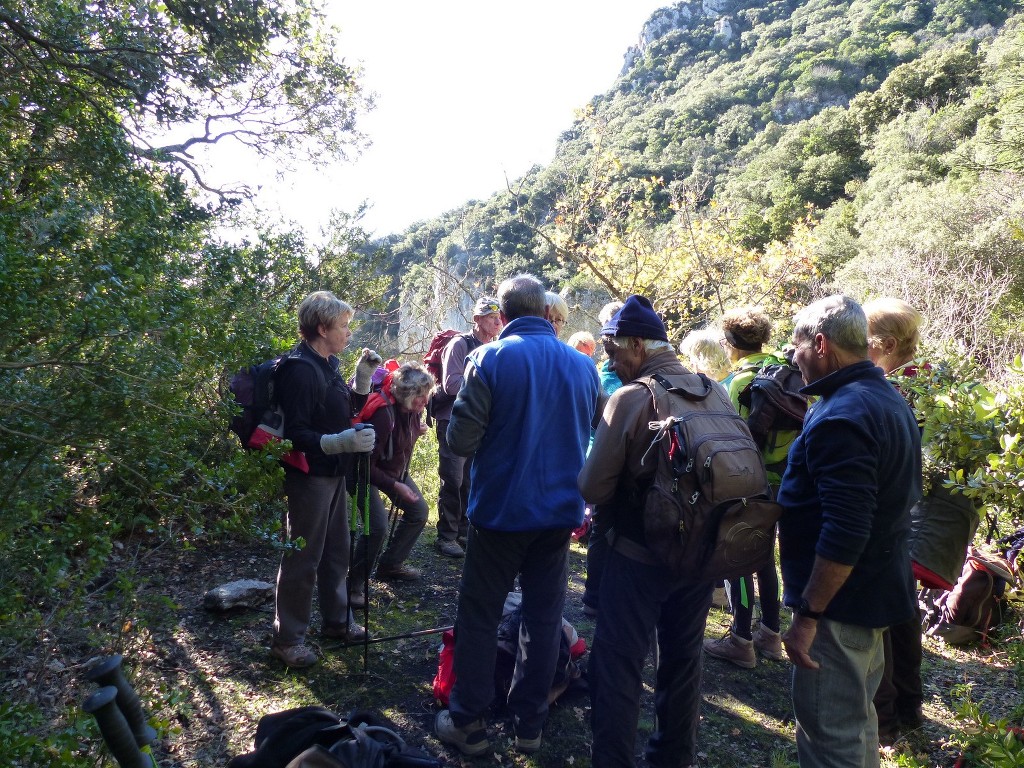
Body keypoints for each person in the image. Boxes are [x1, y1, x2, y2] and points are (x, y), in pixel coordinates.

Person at [434, 275, 600, 757]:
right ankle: (531, 724)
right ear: (547, 314)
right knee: (544, 616)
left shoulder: (487, 358)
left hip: (501, 512)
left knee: (481, 614)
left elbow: (460, 442)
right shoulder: (583, 366)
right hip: (558, 515)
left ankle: (468, 720)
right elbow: (590, 433)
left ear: (502, 316)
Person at [777, 294, 921, 767]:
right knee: (857, 725)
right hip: (875, 593)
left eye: (796, 348)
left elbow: (846, 528)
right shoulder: (885, 398)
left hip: (841, 610)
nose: (792, 359)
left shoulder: (843, 415)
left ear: (820, 343)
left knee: (832, 736)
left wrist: (808, 616)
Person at [579, 295, 716, 768]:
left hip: (638, 556)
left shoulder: (631, 397)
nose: (610, 360)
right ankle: (673, 759)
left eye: (614, 350)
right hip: (701, 554)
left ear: (637, 344)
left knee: (617, 665)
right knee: (682, 663)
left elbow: (593, 487)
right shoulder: (710, 388)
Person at [864, 297, 966, 744]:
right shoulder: (929, 383)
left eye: (859, 341)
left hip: (900, 526)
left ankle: (883, 725)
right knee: (902, 618)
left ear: (884, 345)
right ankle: (908, 711)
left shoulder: (894, 390)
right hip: (917, 529)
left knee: (877, 626)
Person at [270, 291, 380, 668]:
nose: (348, 333)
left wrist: (362, 380)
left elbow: (342, 408)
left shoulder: (327, 363)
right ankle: (288, 639)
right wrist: (339, 442)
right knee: (303, 555)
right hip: (309, 477)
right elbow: (296, 431)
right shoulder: (299, 369)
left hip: (333, 474)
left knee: (337, 550)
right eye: (343, 326)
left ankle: (337, 622)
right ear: (322, 328)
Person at [704, 306, 786, 667]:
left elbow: (726, 434)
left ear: (731, 343)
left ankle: (740, 640)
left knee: (736, 555)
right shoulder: (787, 372)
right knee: (767, 557)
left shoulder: (739, 382)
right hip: (785, 480)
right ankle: (770, 634)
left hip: (747, 481)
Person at [348, 362, 435, 607]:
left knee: (419, 512)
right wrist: (396, 486)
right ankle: (353, 586)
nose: (425, 401)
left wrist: (415, 433)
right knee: (377, 527)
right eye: (421, 396)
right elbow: (364, 465)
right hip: (361, 472)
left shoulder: (411, 410)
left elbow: (400, 446)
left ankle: (390, 565)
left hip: (390, 469)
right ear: (407, 394)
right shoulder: (383, 415)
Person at [433, 296, 503, 558]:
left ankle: (463, 531)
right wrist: (482, 383)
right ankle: (446, 536)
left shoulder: (495, 347)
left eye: (498, 316)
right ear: (477, 320)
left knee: (471, 480)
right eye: (489, 316)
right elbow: (450, 384)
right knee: (453, 478)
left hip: (478, 422)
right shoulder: (459, 344)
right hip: (452, 419)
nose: (497, 320)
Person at [581, 300, 624, 618]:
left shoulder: (603, 372)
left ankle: (598, 596)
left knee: (606, 527)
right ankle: (596, 597)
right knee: (604, 527)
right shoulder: (602, 372)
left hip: (607, 455)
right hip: (610, 456)